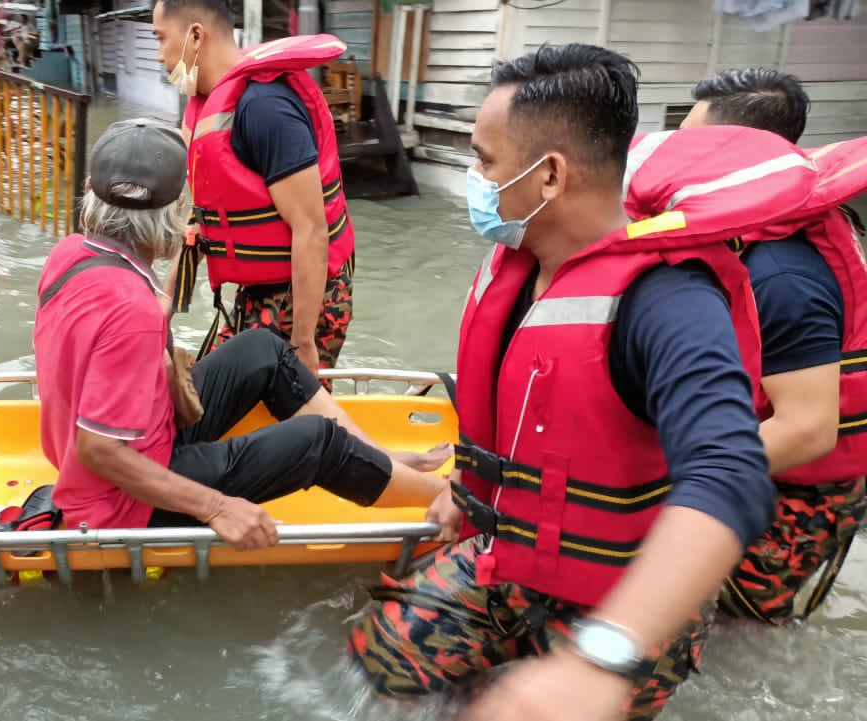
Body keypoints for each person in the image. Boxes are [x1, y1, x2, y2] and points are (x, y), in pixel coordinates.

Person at [345, 44, 819, 721]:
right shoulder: (517, 267)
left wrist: (601, 659)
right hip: (507, 553)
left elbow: (728, 471)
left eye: (484, 160)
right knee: (382, 654)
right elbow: (527, 418)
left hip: (619, 600)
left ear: (549, 176)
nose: (474, 177)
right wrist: (469, 491)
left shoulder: (669, 302)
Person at [34, 118, 452, 550]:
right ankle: (449, 501)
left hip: (130, 447)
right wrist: (217, 506)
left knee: (260, 348)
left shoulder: (70, 254)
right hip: (122, 498)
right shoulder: (131, 309)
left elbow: (112, 343)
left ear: (91, 190)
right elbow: (99, 449)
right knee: (317, 441)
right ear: (178, 208)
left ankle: (379, 460)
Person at [680, 68, 867, 623]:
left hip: (798, 496)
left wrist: (668, 474)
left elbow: (806, 428)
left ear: (735, 159)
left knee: (738, 626)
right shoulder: (752, 231)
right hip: (753, 453)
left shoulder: (783, 274)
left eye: (690, 149)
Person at [153, 0, 356, 377]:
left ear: (195, 36)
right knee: (200, 396)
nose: (158, 54)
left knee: (236, 407)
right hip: (257, 296)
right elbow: (201, 222)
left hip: (305, 299)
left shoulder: (265, 108)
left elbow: (311, 229)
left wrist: (303, 343)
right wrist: (164, 302)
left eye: (161, 38)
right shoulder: (207, 107)